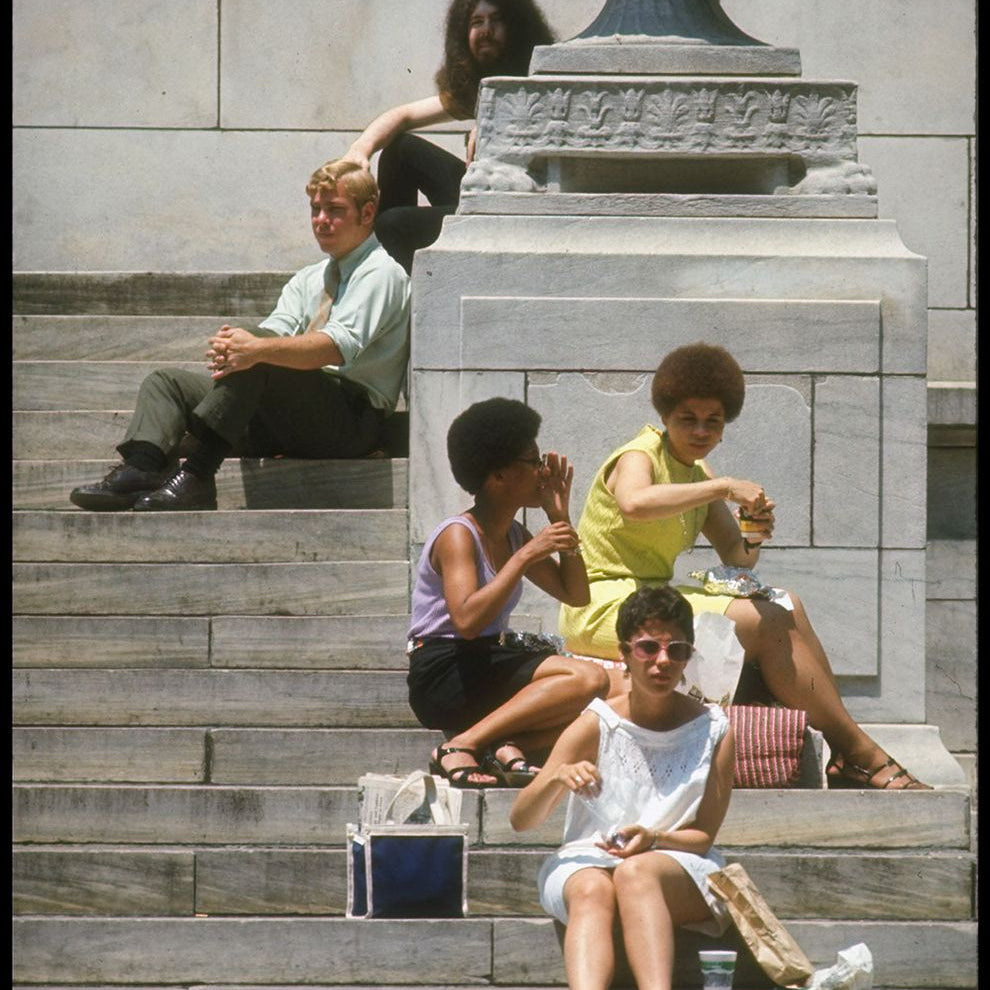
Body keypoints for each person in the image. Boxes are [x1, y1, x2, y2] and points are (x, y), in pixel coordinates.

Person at [559, 342, 930, 791]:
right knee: (762, 619)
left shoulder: (697, 475)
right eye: (687, 419)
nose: (699, 431)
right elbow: (635, 502)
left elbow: (737, 557)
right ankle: (857, 752)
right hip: (601, 604)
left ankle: (846, 748)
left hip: (651, 599)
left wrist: (753, 530)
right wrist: (724, 486)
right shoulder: (639, 456)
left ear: (724, 425)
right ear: (665, 416)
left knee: (786, 602)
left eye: (711, 422)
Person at [69, 159, 411, 512]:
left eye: (335, 210)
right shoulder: (309, 278)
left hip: (349, 421)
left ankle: (198, 475)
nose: (321, 220)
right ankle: (142, 466)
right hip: (289, 413)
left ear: (367, 213)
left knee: (260, 353)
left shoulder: (382, 273)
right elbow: (274, 331)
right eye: (315, 209)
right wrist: (234, 348)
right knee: (167, 382)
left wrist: (254, 349)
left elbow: (336, 347)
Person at [511, 586, 735, 990]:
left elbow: (702, 837)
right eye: (649, 648)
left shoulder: (713, 728)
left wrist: (654, 837)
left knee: (636, 873)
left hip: (677, 862)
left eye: (678, 650)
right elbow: (522, 820)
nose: (663, 662)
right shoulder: (597, 722)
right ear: (624, 653)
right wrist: (555, 778)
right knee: (593, 887)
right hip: (591, 856)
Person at [406, 397, 609, 788]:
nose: (543, 472)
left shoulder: (516, 534)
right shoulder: (458, 535)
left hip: (482, 662)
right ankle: (461, 745)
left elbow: (576, 594)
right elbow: (465, 621)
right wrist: (527, 555)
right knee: (587, 679)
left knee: (612, 692)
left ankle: (508, 745)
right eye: (533, 462)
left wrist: (560, 521)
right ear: (497, 477)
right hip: (443, 670)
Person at [343, 0, 554, 273]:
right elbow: (404, 115)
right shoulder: (477, 88)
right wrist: (360, 150)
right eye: (477, 22)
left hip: (513, 211)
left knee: (392, 224)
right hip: (479, 194)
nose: (486, 31)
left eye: (496, 20)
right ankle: (387, 279)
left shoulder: (543, 81)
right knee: (400, 148)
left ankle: (398, 293)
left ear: (517, 27)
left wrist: (496, 128)